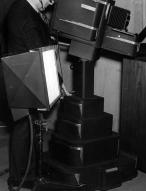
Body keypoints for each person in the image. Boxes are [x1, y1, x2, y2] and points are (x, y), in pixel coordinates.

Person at [3, 0, 55, 189]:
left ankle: (31, 171)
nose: (51, 2)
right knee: (23, 129)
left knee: (30, 128)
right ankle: (18, 180)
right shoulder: (22, 11)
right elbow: (39, 46)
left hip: (27, 75)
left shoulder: (30, 10)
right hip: (21, 77)